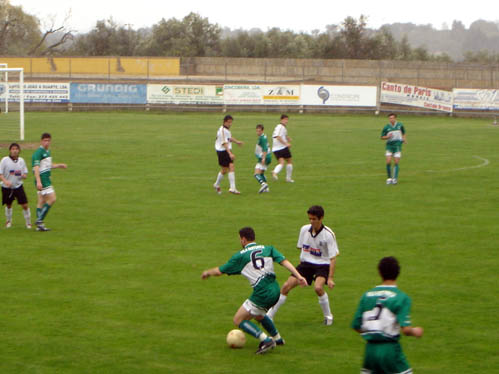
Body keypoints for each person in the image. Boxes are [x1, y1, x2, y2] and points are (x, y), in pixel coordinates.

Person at [201, 227, 307, 354]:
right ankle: (277, 339)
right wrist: (299, 276)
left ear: (244, 239)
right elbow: (284, 262)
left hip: (262, 293)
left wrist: (208, 272)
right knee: (258, 315)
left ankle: (266, 340)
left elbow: (219, 271)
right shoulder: (268, 248)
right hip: (275, 290)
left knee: (238, 320)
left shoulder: (240, 256)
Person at [267, 205, 339, 325]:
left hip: (323, 264)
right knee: (285, 286)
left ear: (321, 218)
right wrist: (300, 276)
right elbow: (303, 250)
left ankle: (328, 317)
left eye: (314, 219)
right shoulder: (304, 230)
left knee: (318, 288)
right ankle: (269, 316)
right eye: (309, 219)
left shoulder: (328, 235)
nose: (311, 221)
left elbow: (333, 258)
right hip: (306, 264)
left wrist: (330, 278)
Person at [351, 256, 424, 374]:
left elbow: (356, 325)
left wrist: (373, 333)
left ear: (380, 272)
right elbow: (405, 330)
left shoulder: (367, 295)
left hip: (370, 350)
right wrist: (416, 331)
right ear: (398, 273)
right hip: (389, 350)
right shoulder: (401, 297)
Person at [32, 133, 67, 231]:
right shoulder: (38, 153)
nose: (47, 142)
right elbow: (36, 168)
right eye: (45, 140)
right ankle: (39, 220)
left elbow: (48, 165)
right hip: (42, 180)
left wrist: (59, 165)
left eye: (48, 140)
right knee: (52, 199)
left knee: (41, 201)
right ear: (41, 141)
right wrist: (39, 182)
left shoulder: (47, 152)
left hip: (45, 179)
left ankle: (40, 227)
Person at [1, 143, 31, 229]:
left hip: (18, 186)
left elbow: (24, 172)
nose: (15, 151)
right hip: (7, 187)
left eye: (16, 149)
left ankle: (28, 223)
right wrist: (5, 181)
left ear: (19, 151)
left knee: (25, 205)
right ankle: (8, 221)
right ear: (10, 150)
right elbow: (0, 174)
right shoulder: (4, 160)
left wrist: (24, 175)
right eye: (13, 149)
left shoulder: (21, 160)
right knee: (9, 204)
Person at [213, 115, 243, 195]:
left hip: (224, 150)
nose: (230, 124)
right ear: (224, 122)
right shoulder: (222, 130)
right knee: (230, 167)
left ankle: (217, 184)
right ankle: (232, 188)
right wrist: (230, 153)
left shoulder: (226, 130)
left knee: (225, 170)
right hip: (222, 151)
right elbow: (224, 142)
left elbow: (229, 138)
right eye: (229, 122)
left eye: (231, 122)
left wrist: (237, 142)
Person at [381, 113, 406, 185]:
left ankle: (395, 178)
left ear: (395, 118)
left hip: (397, 145)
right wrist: (387, 137)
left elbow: (403, 132)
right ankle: (389, 178)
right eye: (390, 118)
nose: (391, 119)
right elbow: (382, 137)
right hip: (389, 145)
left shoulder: (400, 125)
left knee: (396, 162)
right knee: (388, 161)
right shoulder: (386, 127)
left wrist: (404, 139)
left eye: (392, 118)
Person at [271, 114, 294, 183]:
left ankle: (274, 172)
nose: (286, 121)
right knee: (289, 161)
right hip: (281, 147)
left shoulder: (281, 127)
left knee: (281, 163)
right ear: (281, 120)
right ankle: (288, 178)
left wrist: (287, 138)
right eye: (285, 119)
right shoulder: (280, 127)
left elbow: (283, 134)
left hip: (275, 149)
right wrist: (286, 143)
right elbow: (278, 137)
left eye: (287, 120)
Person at [254, 124, 272, 193]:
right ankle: (266, 189)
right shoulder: (264, 137)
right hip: (268, 157)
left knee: (256, 174)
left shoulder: (262, 138)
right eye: (257, 131)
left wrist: (263, 158)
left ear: (262, 131)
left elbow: (265, 149)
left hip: (264, 157)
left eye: (259, 131)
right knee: (261, 173)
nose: (258, 133)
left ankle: (263, 184)